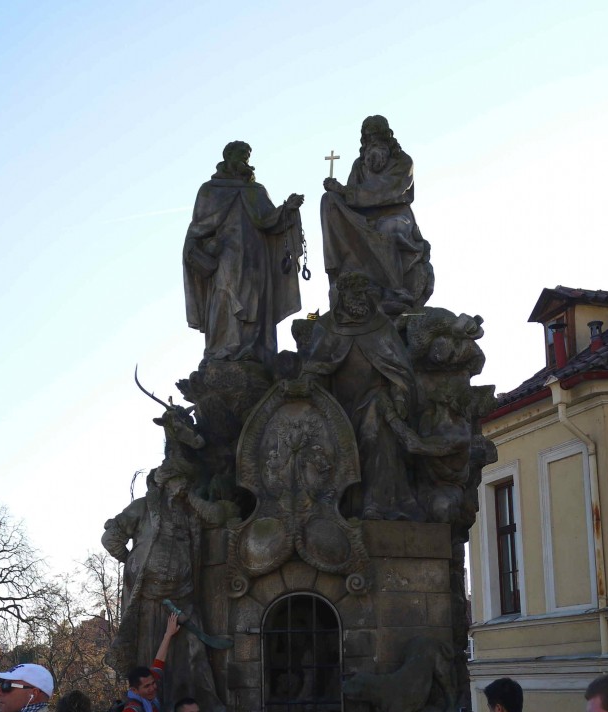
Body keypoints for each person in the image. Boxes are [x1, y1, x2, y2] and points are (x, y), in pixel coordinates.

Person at [102, 466, 230, 712]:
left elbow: (217, 517)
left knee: (192, 655)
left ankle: (194, 711)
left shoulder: (189, 512)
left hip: (183, 595)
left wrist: (192, 499)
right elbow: (111, 537)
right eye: (180, 482)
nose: (184, 488)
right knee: (152, 656)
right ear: (165, 484)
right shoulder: (142, 508)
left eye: (186, 483)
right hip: (149, 598)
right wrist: (132, 562)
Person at [303, 270, 422, 520]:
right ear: (342, 297)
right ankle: (333, 505)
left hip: (377, 400)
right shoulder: (326, 326)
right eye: (355, 294)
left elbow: (400, 370)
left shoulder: (381, 327)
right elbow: (315, 367)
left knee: (374, 432)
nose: (361, 299)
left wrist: (400, 397)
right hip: (337, 406)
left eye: (365, 294)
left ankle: (376, 503)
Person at [183, 140, 304, 366]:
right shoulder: (209, 191)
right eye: (242, 154)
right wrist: (197, 247)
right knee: (224, 296)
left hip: (255, 255)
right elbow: (198, 227)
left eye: (248, 155)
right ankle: (222, 348)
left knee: (254, 299)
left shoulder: (256, 191)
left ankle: (253, 349)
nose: (246, 159)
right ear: (229, 156)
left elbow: (269, 219)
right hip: (225, 254)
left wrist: (287, 209)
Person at [321, 114, 433, 313]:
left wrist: (345, 191)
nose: (372, 140)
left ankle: (396, 290)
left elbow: (388, 191)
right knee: (328, 200)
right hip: (364, 217)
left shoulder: (403, 161)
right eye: (368, 136)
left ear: (387, 137)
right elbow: (349, 199)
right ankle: (338, 273)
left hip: (397, 215)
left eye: (377, 135)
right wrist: (337, 192)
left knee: (386, 228)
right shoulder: (359, 165)